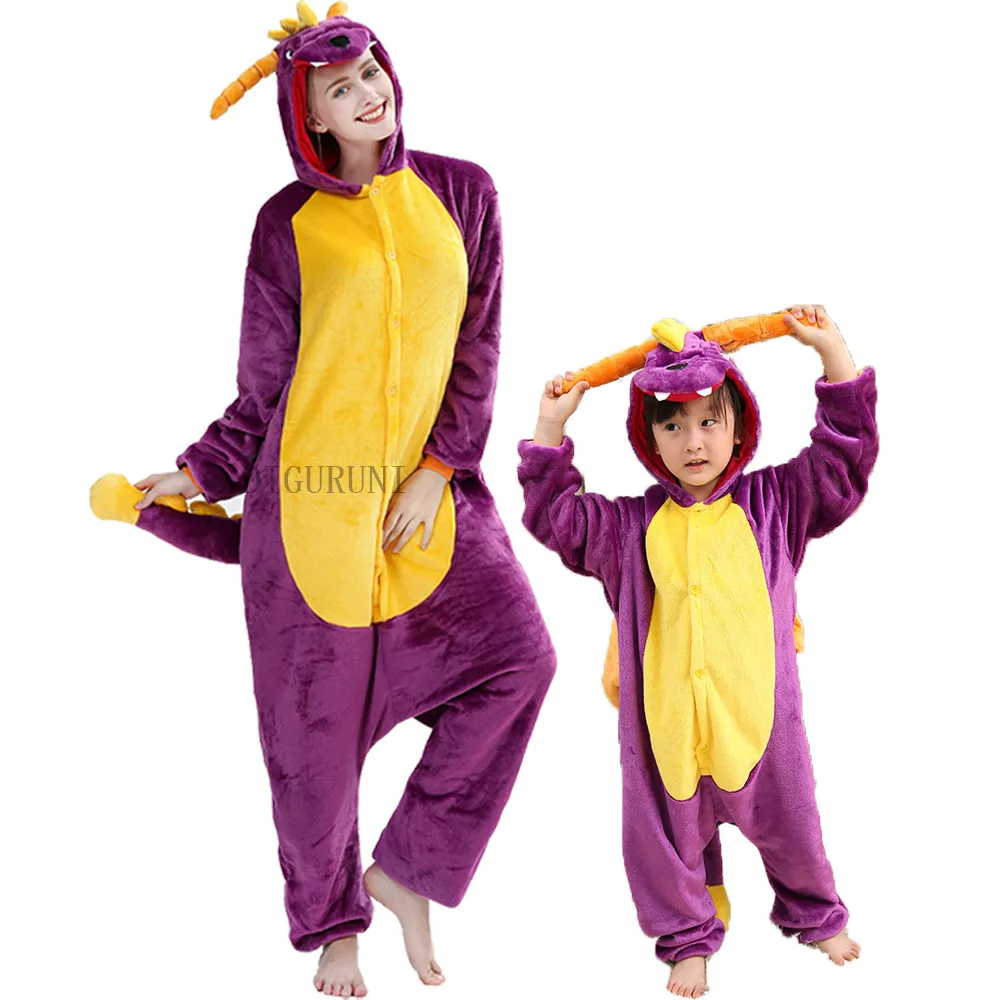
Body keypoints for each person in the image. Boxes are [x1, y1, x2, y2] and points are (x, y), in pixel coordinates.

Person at [130, 5, 556, 996]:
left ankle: (405, 872)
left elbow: (478, 346)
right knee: (312, 746)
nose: (368, 94)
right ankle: (333, 928)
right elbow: (264, 385)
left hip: (429, 500)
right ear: (310, 116)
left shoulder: (464, 191)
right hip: (309, 512)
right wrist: (199, 472)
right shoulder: (284, 225)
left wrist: (441, 466)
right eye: (339, 87)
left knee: (521, 661)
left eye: (371, 72)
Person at [516, 305, 877, 997]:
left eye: (710, 421)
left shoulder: (777, 502)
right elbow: (558, 519)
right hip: (668, 733)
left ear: (739, 426)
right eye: (673, 426)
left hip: (760, 727)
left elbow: (843, 460)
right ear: (650, 438)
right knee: (664, 843)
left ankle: (814, 914)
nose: (693, 442)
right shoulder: (628, 526)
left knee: (795, 825)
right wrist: (549, 429)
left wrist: (833, 354)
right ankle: (687, 939)